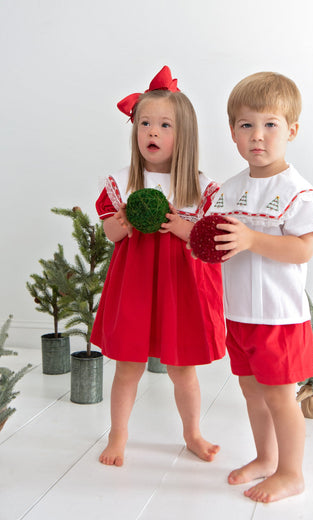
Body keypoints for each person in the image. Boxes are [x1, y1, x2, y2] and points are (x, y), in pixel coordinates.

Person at [91, 66, 226, 467]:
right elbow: (110, 235)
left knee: (182, 370)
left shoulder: (200, 188)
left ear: (183, 135)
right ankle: (118, 435)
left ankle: (192, 433)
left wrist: (180, 225)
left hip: (178, 287)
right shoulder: (123, 183)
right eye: (145, 123)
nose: (152, 132)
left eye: (164, 125)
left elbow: (210, 243)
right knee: (127, 367)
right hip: (134, 285)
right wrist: (123, 222)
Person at [209, 72, 313, 502]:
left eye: (270, 124)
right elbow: (213, 238)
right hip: (239, 312)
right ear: (233, 132)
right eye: (246, 125)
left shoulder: (298, 192)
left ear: (291, 130)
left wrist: (254, 239)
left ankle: (291, 472)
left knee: (280, 397)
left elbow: (302, 251)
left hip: (279, 317)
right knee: (250, 390)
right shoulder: (229, 190)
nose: (257, 136)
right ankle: (264, 458)